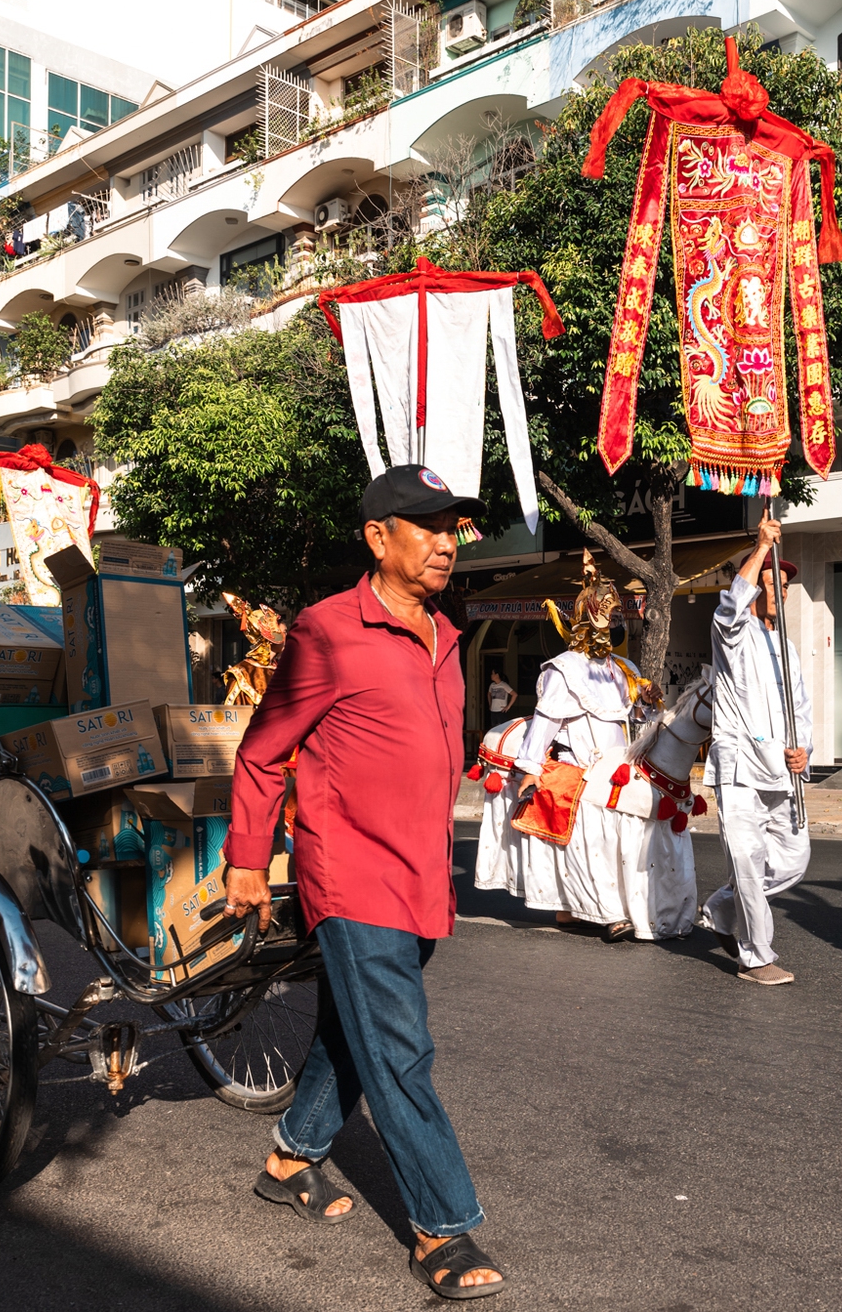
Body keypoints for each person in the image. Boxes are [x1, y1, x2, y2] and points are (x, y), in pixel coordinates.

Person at [223, 464, 505, 1301]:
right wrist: (246, 858)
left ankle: (288, 1160)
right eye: (428, 527)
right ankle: (441, 1226)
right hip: (351, 870)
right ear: (379, 537)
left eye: (453, 528)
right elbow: (265, 746)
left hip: (421, 873)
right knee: (399, 1047)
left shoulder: (446, 635)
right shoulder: (328, 630)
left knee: (354, 1031)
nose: (446, 543)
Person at [512, 553, 657, 942]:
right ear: (591, 616)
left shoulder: (625, 668)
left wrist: (647, 699)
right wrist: (530, 768)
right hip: (582, 770)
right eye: (608, 613)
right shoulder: (566, 668)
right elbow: (545, 721)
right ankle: (608, 913)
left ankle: (580, 908)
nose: (615, 623)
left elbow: (635, 717)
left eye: (617, 615)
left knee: (620, 844)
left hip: (619, 772)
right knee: (592, 842)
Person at [698, 516, 813, 986]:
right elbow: (730, 604)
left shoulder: (785, 645)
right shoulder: (733, 633)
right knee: (746, 860)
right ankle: (756, 957)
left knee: (792, 859)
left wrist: (804, 750)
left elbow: (800, 710)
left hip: (782, 774)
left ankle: (723, 906)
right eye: (770, 581)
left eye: (784, 585)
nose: (779, 591)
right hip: (741, 767)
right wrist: (761, 548)